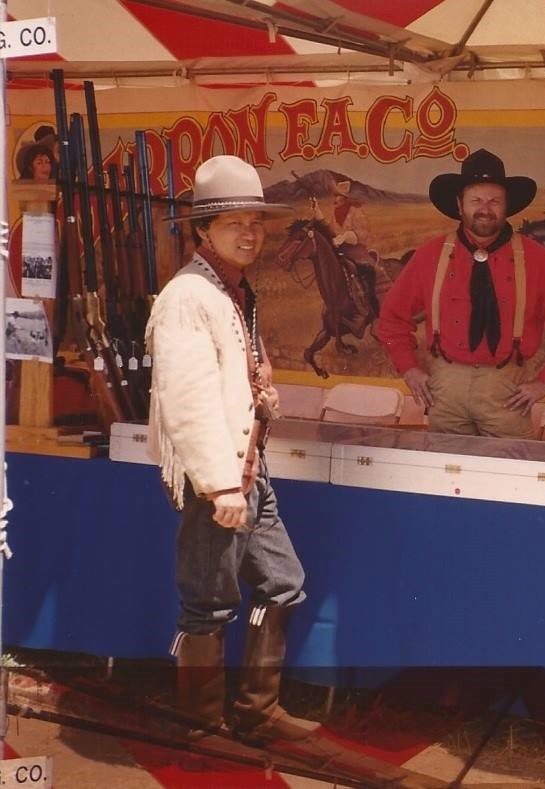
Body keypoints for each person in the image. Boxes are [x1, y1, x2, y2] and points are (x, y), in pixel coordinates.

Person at [147, 155, 315, 746]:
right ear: (203, 230)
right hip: (217, 479)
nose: (249, 233)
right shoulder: (188, 295)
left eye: (255, 222)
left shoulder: (231, 290)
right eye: (233, 223)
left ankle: (256, 712)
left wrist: (260, 389)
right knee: (208, 604)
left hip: (249, 470)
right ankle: (200, 726)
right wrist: (220, 485)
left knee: (283, 582)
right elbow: (186, 398)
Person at [377, 148, 545, 438]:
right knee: (445, 465)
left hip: (506, 390)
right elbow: (391, 319)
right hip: (445, 390)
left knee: (509, 465)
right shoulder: (431, 254)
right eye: (476, 200)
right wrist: (409, 368)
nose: (485, 209)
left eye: (494, 201)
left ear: (507, 206)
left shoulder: (536, 259)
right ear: (459, 205)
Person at [313, 179, 379, 316]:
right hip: (342, 251)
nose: (335, 199)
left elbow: (363, 233)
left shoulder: (356, 211)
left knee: (366, 272)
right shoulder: (336, 212)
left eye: (338, 196)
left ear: (345, 198)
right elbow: (330, 231)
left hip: (357, 250)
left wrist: (346, 236)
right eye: (335, 196)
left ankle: (371, 305)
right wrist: (317, 210)